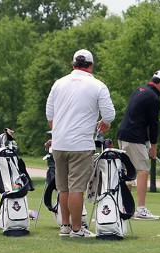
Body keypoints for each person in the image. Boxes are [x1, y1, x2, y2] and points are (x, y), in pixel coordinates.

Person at [46, 49, 115, 238]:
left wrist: (60, 130)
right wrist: (104, 124)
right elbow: (109, 115)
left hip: (59, 144)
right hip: (81, 144)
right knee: (76, 188)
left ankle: (65, 226)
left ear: (73, 64)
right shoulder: (97, 85)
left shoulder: (58, 83)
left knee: (63, 187)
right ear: (91, 66)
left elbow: (49, 115)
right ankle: (77, 230)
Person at [117, 70, 160, 220]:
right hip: (134, 137)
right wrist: (154, 147)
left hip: (124, 134)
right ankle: (140, 210)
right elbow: (153, 124)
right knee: (143, 170)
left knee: (128, 174)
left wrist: (147, 143)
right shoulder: (154, 97)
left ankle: (122, 207)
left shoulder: (140, 90)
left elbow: (142, 119)